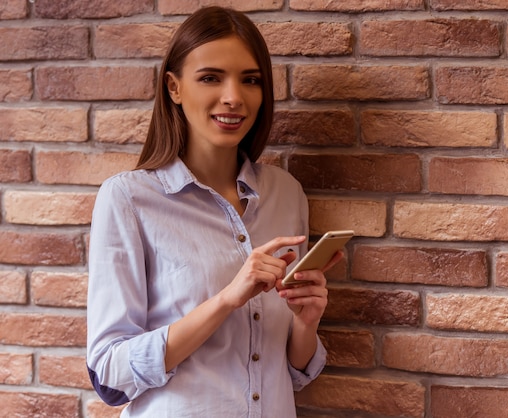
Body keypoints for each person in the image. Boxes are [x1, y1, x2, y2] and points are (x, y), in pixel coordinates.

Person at [86, 6, 341, 417]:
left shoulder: (286, 194)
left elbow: (292, 371)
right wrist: (226, 300)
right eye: (210, 78)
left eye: (250, 80)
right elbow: (110, 376)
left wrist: (306, 321)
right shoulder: (129, 200)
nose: (234, 98)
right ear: (174, 87)